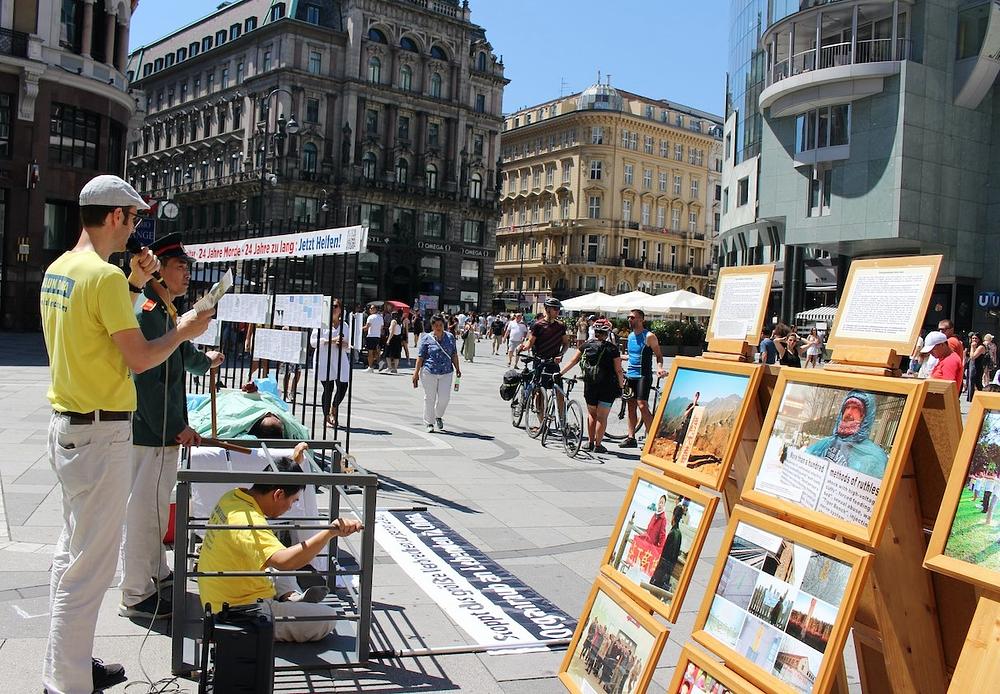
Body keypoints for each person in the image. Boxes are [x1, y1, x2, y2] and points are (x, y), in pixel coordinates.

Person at [39, 175, 212, 694]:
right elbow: (138, 358)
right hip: (100, 431)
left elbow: (96, 329)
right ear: (116, 216)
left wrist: (135, 283)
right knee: (89, 568)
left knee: (71, 554)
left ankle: (68, 664)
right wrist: (185, 330)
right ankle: (66, 683)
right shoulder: (104, 278)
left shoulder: (61, 269)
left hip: (69, 424)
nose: (135, 228)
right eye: (134, 218)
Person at [120, 233, 225, 623]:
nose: (187, 274)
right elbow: (146, 380)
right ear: (159, 271)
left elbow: (182, 354)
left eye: (187, 267)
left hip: (160, 430)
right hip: (151, 431)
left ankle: (156, 572)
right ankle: (136, 592)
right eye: (180, 266)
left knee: (155, 508)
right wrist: (178, 426)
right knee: (144, 513)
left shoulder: (164, 309)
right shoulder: (149, 312)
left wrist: (208, 361)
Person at [197, 457, 363, 642]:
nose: (291, 507)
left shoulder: (233, 496)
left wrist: (294, 463)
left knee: (280, 555)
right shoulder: (249, 522)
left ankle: (291, 597)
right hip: (239, 612)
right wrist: (330, 532)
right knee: (327, 617)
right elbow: (286, 562)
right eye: (293, 501)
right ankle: (289, 601)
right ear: (278, 494)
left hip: (223, 595)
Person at [559, 318, 623, 453]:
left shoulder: (586, 345)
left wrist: (560, 373)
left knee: (592, 414)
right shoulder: (612, 349)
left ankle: (590, 442)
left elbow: (573, 360)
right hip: (608, 387)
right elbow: (618, 370)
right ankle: (598, 445)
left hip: (590, 385)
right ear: (607, 333)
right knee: (602, 417)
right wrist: (621, 386)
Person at [805, 389, 890, 478]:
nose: (848, 412)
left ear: (865, 416)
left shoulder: (874, 457)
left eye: (855, 408)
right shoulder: (827, 443)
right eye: (847, 407)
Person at [621, 308, 667, 449]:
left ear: (641, 320)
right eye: (629, 317)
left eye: (632, 317)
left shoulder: (649, 336)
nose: (629, 319)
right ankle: (631, 437)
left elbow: (659, 355)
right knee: (631, 406)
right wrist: (619, 357)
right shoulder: (630, 336)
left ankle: (651, 439)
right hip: (630, 375)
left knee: (642, 405)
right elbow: (632, 356)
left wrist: (659, 368)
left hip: (643, 375)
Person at [517, 298, 570, 415]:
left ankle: (562, 421)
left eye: (558, 308)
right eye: (555, 308)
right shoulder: (538, 325)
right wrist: (523, 347)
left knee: (560, 393)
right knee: (539, 393)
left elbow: (566, 343)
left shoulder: (561, 326)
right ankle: (541, 420)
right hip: (540, 362)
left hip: (554, 363)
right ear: (547, 309)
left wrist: (561, 354)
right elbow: (530, 342)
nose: (558, 311)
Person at [412, 314, 462, 432]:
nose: (438, 327)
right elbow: (420, 357)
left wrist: (458, 368)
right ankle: (429, 422)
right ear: (432, 326)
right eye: (436, 325)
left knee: (445, 398)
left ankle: (438, 415)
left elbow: (454, 354)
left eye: (441, 325)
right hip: (429, 371)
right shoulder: (426, 338)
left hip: (446, 371)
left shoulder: (450, 337)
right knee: (430, 398)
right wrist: (415, 373)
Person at [310, 298, 352, 427]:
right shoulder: (321, 324)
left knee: (343, 385)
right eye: (332, 306)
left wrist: (344, 344)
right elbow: (313, 342)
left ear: (340, 309)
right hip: (324, 359)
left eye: (336, 306)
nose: (333, 309)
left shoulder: (344, 325)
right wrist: (330, 340)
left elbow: (349, 346)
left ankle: (334, 407)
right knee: (328, 388)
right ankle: (326, 416)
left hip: (339, 359)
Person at [649, 505, 685, 591]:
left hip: (662, 570)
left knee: (653, 589)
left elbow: (664, 556)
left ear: (673, 516)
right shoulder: (679, 534)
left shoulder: (672, 533)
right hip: (668, 572)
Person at [673, 392, 701, 463]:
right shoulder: (691, 405)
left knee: (688, 441)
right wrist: (692, 407)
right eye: (696, 396)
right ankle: (675, 456)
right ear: (694, 397)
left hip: (691, 426)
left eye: (698, 397)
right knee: (680, 441)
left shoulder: (698, 407)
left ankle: (684, 456)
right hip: (686, 424)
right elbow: (685, 414)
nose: (696, 398)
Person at [362, 304, 384, 373]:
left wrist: (359, 328)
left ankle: (370, 367)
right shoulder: (380, 317)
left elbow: (366, 327)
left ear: (375, 309)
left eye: (371, 308)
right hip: (377, 336)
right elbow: (381, 328)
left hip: (371, 336)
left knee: (370, 352)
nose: (370, 309)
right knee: (375, 351)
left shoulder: (370, 317)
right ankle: (380, 362)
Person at [968, 333, 987, 402]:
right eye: (973, 338)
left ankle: (980, 397)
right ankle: (972, 398)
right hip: (972, 366)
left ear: (979, 339)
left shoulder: (981, 347)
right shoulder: (975, 346)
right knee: (971, 382)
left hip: (977, 367)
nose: (974, 340)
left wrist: (972, 347)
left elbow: (972, 357)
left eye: (976, 338)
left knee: (977, 383)